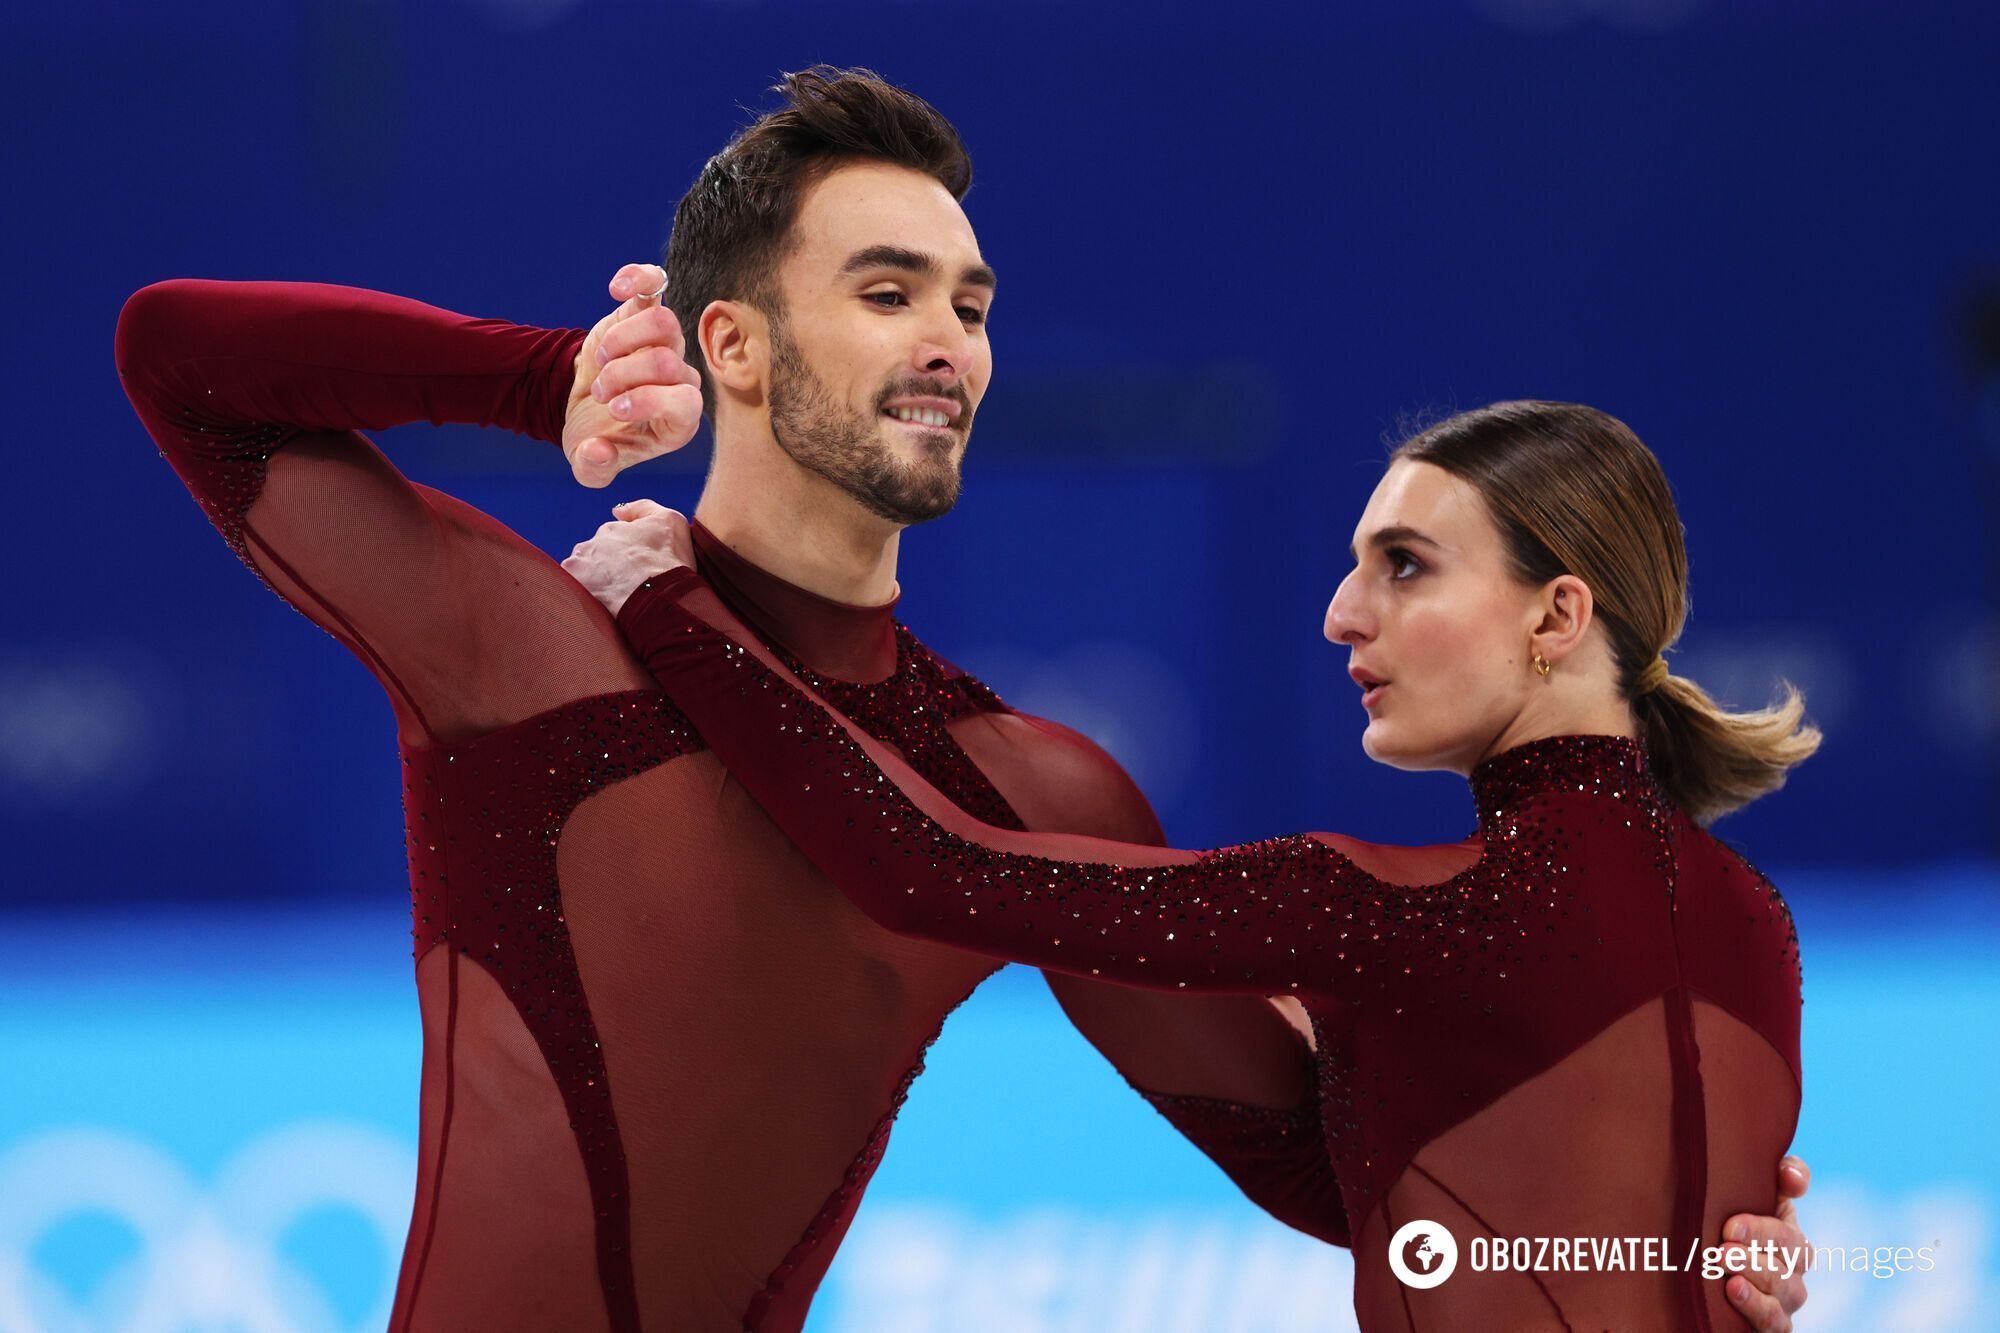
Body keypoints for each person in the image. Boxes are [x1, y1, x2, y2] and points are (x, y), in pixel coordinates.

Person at [112, 62, 1808, 1330]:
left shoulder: (1034, 782)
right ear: (734, 348)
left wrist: (1650, 1191)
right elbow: (177, 356)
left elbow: (1322, 1170)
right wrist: (535, 377)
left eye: (973, 303)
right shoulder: (537, 649)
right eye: (887, 291)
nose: (953, 340)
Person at [568, 399, 1819, 1331]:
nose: (1340, 612)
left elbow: (933, 876)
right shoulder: (1750, 917)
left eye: (1403, 564)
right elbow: (1472, 1227)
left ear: (1557, 616)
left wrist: (674, 611)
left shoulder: (1399, 911)